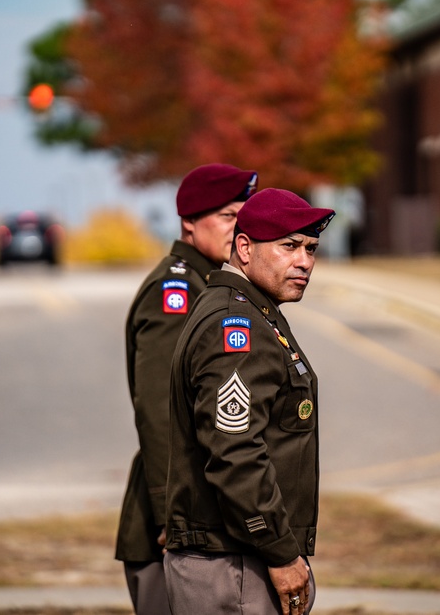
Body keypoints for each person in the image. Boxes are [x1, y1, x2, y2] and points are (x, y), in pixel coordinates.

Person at [164, 188, 334, 615]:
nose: (304, 262)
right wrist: (280, 551)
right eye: (289, 246)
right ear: (244, 248)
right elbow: (235, 451)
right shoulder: (236, 327)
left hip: (236, 559)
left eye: (311, 249)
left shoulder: (247, 312)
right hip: (233, 565)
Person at [115, 162, 258, 615]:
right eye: (228, 216)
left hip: (198, 520)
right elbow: (159, 411)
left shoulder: (212, 284)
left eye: (245, 216)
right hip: (173, 528)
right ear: (189, 223)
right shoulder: (176, 292)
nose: (240, 228)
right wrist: (169, 515)